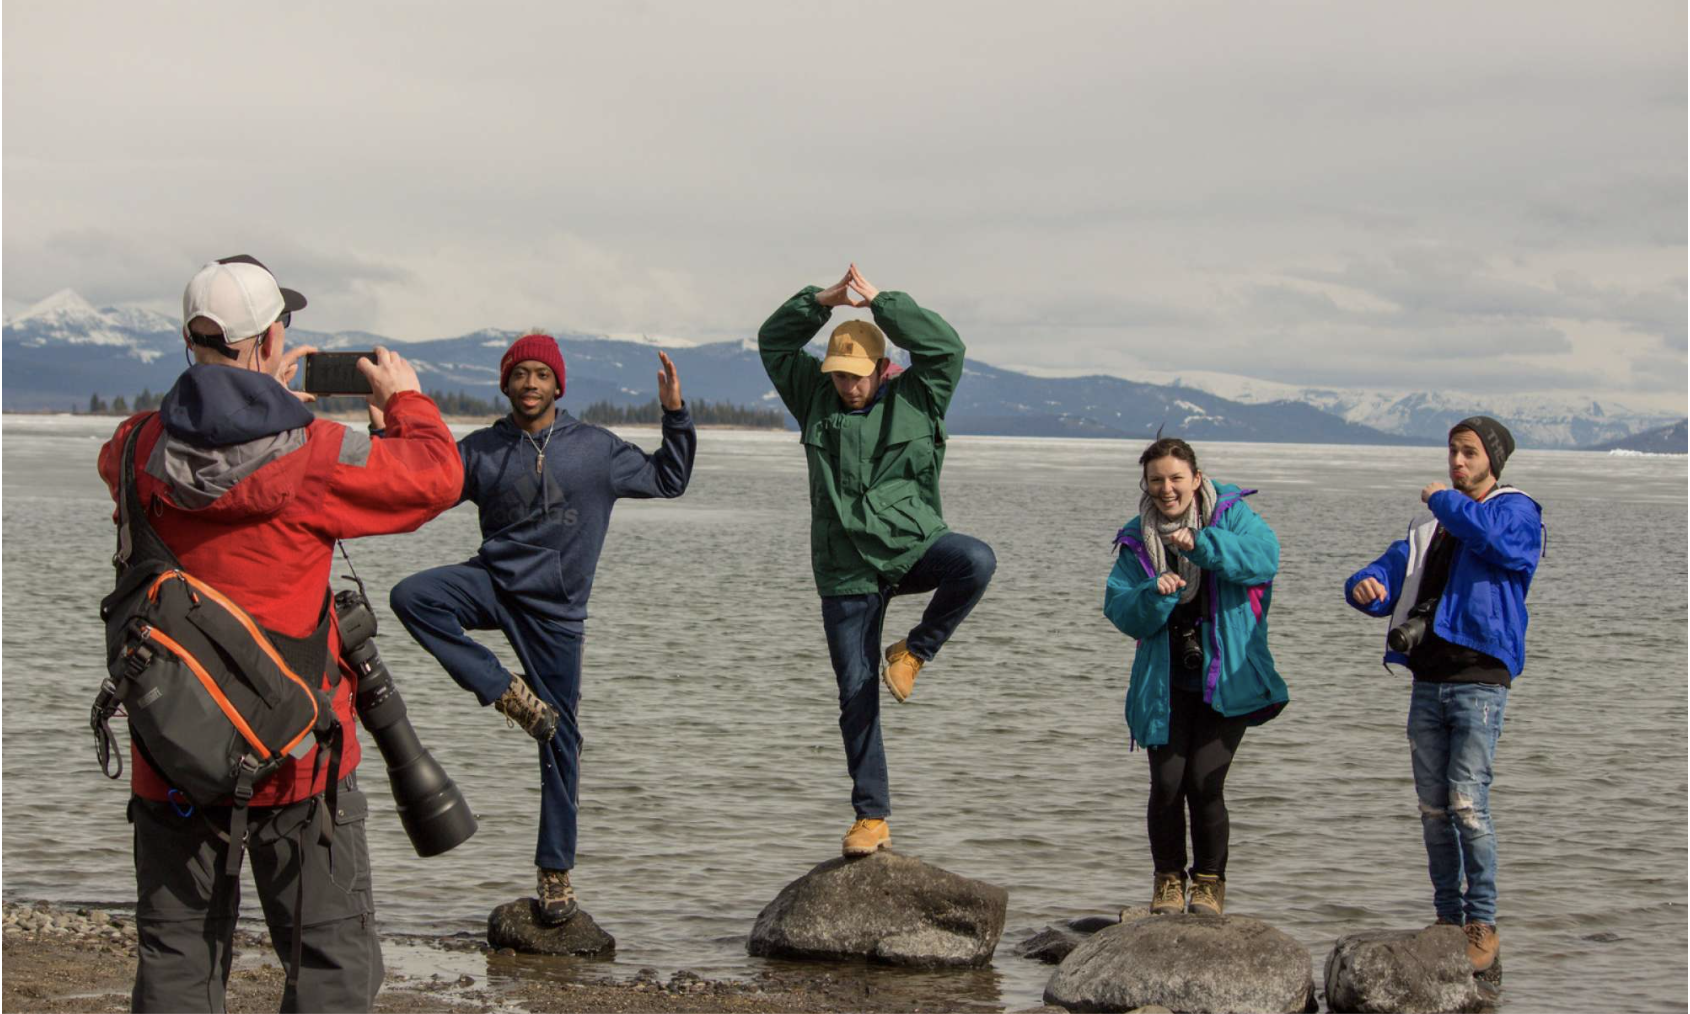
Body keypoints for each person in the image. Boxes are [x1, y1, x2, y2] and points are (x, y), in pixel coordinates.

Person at [97, 255, 463, 1012]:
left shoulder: (134, 448)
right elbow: (436, 477)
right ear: (270, 341)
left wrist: (254, 403)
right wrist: (405, 401)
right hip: (300, 768)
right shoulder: (315, 454)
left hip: (173, 755)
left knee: (176, 970)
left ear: (191, 341)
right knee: (331, 972)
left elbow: (167, 454)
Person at [386, 332, 695, 924]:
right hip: (494, 583)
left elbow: (670, 477)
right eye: (520, 374)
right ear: (505, 383)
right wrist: (388, 435)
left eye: (542, 374)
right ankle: (505, 690)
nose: (530, 383)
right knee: (413, 596)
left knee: (560, 740)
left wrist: (674, 413)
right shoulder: (480, 451)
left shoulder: (596, 449)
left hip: (556, 613)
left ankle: (555, 873)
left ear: (558, 386)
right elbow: (418, 489)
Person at [758, 264, 997, 857]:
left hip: (908, 545)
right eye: (839, 375)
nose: (848, 386)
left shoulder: (920, 395)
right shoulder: (813, 397)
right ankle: (872, 817)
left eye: (858, 375)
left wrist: (881, 304)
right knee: (856, 692)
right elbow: (773, 342)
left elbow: (948, 347)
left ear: (882, 367)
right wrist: (820, 301)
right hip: (845, 566)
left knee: (975, 561)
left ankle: (914, 651)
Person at [1343, 416, 1542, 974]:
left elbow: (1497, 542)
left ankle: (1483, 922)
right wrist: (1365, 586)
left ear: (1493, 460)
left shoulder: (1515, 510)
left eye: (1470, 453)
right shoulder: (1429, 525)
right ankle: (1447, 919)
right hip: (1427, 681)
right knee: (1433, 810)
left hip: (1480, 678)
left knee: (1468, 804)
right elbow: (1388, 571)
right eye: (1453, 451)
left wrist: (1444, 501)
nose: (1457, 461)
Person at [1102, 437, 1286, 917]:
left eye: (1176, 478)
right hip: (1164, 684)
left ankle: (1208, 884)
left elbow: (1264, 559)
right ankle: (1167, 881)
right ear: (1145, 483)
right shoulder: (1136, 537)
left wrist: (1203, 545)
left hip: (1228, 679)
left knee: (1205, 783)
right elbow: (1120, 608)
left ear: (1196, 478)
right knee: (1166, 786)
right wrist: (1153, 592)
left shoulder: (1231, 517)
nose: (1167, 489)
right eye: (1156, 480)